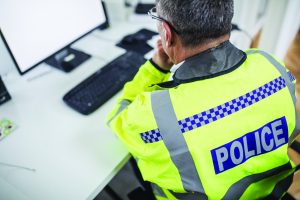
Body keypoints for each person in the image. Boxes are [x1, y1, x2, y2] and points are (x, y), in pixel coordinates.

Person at [106, 0, 300, 199]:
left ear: (167, 33)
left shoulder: (156, 114)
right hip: (273, 194)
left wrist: (156, 68)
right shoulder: (271, 66)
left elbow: (118, 117)